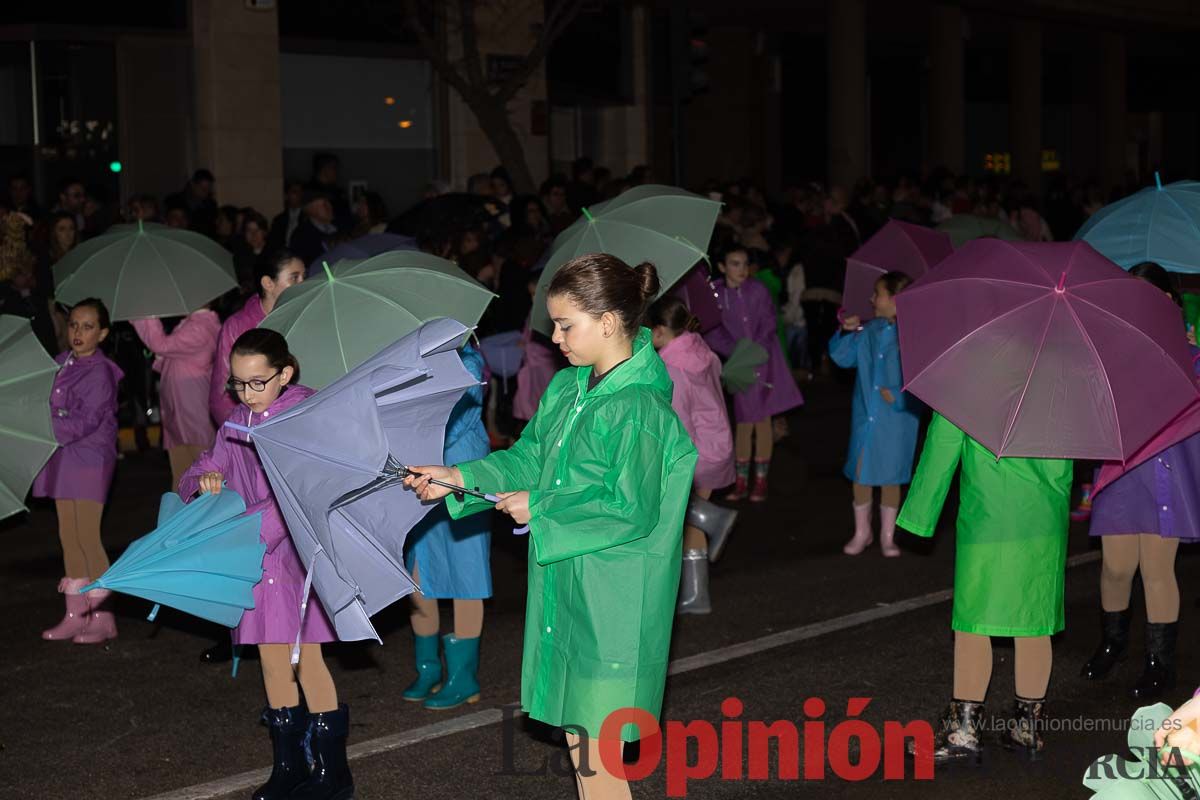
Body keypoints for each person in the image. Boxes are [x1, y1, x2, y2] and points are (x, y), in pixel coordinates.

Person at [406, 254, 697, 799]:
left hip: (613, 599)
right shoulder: (569, 389)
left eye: (566, 324)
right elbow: (527, 459)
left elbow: (630, 508)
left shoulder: (638, 408)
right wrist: (457, 476)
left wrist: (540, 508)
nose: (554, 336)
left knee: (600, 759)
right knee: (583, 748)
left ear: (608, 322)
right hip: (568, 582)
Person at [180, 329, 352, 799]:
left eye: (258, 382)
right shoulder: (236, 423)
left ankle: (333, 774)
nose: (246, 393)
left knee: (308, 660)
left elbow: (303, 493)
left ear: (286, 373)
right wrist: (205, 482)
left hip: (297, 559)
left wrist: (251, 533)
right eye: (237, 383)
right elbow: (197, 469)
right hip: (255, 560)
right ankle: (289, 765)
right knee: (272, 662)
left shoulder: (306, 418)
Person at [898, 413, 1071, 762]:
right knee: (1034, 619)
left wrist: (919, 514)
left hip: (989, 514)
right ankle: (1027, 726)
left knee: (974, 620)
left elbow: (944, 441)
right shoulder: (1062, 375)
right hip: (1044, 513)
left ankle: (963, 729)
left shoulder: (975, 372)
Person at [1082, 261, 1197, 700]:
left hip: (1165, 470)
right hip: (1121, 470)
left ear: (1168, 300)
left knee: (1156, 568)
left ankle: (1159, 662)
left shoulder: (1191, 355)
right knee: (1114, 567)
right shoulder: (1112, 353)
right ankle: (1112, 643)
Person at [402, 345, 493, 711]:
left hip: (462, 473)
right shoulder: (408, 359)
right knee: (419, 572)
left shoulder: (469, 363)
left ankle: (462, 676)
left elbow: (458, 421)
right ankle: (428, 668)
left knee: (466, 575)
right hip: (422, 474)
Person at [33, 298, 124, 645]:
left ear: (102, 333)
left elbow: (86, 421)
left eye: (88, 327)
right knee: (68, 535)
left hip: (90, 458)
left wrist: (48, 422)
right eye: (73, 324)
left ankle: (102, 616)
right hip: (65, 457)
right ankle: (75, 614)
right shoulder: (59, 363)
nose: (78, 332)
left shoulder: (101, 372)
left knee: (87, 535)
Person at [649, 296, 736, 615]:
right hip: (716, 442)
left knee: (678, 511)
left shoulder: (672, 367)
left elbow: (679, 418)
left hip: (695, 447)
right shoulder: (701, 350)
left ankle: (712, 518)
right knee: (685, 518)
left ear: (659, 332)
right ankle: (696, 593)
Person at [829, 272, 922, 557]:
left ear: (894, 299)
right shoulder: (869, 330)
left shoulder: (914, 335)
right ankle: (862, 531)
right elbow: (842, 358)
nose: (871, 299)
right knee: (862, 473)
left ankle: (887, 535)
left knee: (891, 476)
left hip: (897, 421)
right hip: (866, 417)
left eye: (877, 293)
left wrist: (898, 395)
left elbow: (921, 381)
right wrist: (846, 331)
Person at [704, 245, 804, 501]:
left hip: (764, 360)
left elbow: (770, 321)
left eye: (745, 263)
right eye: (735, 264)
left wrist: (755, 348)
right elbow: (712, 330)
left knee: (763, 420)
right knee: (745, 421)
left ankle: (759, 481)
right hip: (739, 364)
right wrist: (737, 350)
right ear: (723, 267)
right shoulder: (715, 293)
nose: (742, 269)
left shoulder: (757, 289)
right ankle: (740, 481)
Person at [209, 252, 306, 447]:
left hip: (299, 431)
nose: (303, 283)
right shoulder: (238, 326)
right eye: (295, 277)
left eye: (304, 276)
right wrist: (245, 434)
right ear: (268, 283)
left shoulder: (306, 317)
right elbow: (222, 394)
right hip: (253, 436)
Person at [130, 304, 221, 488]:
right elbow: (169, 356)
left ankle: (207, 516)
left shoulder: (201, 326)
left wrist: (145, 310)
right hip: (181, 413)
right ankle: (185, 515)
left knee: (202, 475)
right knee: (183, 477)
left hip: (190, 412)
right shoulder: (194, 323)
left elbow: (160, 345)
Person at [289, 190, 339, 266]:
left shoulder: (339, 227)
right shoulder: (302, 235)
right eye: (324, 204)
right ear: (311, 209)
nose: (330, 207)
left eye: (329, 203)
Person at [165, 169, 217, 236]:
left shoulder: (210, 205)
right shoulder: (174, 200)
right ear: (192, 184)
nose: (205, 192)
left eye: (208, 189)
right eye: (202, 188)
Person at [268, 180, 305, 252]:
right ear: (286, 195)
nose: (299, 195)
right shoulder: (279, 220)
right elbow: (274, 243)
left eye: (300, 192)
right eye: (294, 192)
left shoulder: (307, 218)